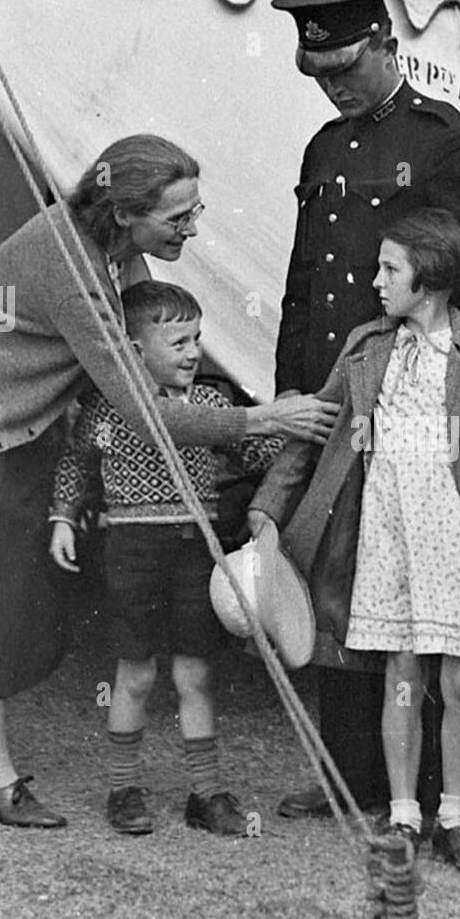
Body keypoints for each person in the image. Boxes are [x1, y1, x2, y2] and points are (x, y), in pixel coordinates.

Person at [0, 134, 336, 827]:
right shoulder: (74, 269)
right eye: (177, 219)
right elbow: (144, 410)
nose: (193, 229)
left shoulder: (115, 252)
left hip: (22, 412)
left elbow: (143, 350)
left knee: (15, 583)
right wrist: (262, 419)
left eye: (194, 211)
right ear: (124, 215)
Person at [269, 0, 460, 821]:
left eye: (343, 67)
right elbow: (305, 286)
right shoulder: (323, 150)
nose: (330, 84)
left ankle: (429, 788)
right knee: (340, 577)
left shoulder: (444, 142)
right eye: (317, 72)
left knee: (423, 590)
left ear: (386, 43)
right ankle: (352, 776)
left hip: (420, 403)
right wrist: (294, 389)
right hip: (343, 392)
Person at [249, 209, 460, 874]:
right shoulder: (365, 344)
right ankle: (405, 815)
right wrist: (269, 507)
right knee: (402, 673)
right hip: (385, 524)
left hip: (456, 526)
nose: (375, 280)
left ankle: (456, 817)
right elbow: (314, 432)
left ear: (431, 278)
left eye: (390, 269)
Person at [49, 282, 282, 835]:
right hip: (131, 553)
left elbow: (254, 449)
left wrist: (289, 429)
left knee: (195, 673)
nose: (194, 351)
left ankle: (206, 794)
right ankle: (123, 789)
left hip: (195, 553)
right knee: (135, 672)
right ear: (133, 351)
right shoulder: (107, 409)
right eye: (178, 342)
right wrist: (62, 517)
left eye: (197, 339)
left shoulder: (210, 404)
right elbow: (76, 465)